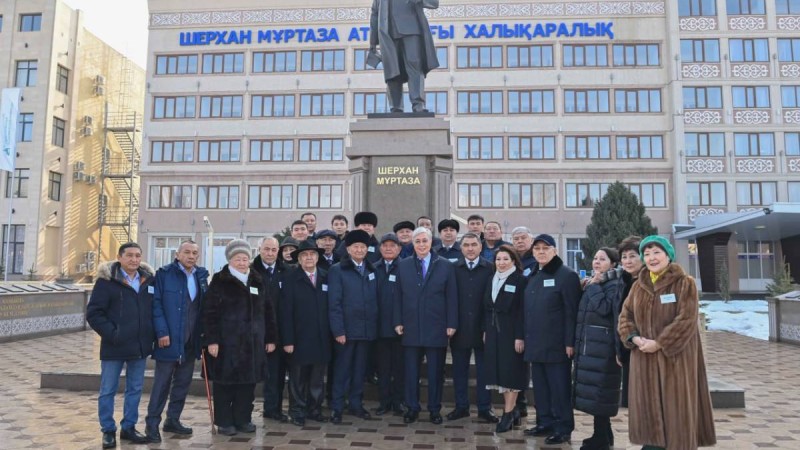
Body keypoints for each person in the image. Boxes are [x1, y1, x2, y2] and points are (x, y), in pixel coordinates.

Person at [618, 236, 716, 450]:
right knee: (650, 413)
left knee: (677, 414)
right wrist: (633, 337)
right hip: (644, 358)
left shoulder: (684, 283)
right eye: (647, 253)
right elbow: (626, 316)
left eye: (656, 252)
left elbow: (687, 319)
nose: (651, 258)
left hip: (676, 360)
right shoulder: (638, 286)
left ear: (668, 255)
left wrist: (660, 343)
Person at [203, 239, 277, 436]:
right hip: (227, 344)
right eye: (238, 259)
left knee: (247, 385)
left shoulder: (257, 280)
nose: (242, 262)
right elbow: (209, 313)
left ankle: (243, 419)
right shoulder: (220, 281)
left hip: (253, 344)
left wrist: (270, 338)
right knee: (225, 385)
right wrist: (212, 340)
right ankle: (225, 421)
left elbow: (268, 311)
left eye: (245, 258)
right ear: (230, 260)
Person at [87, 242, 155, 448]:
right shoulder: (106, 282)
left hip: (139, 346)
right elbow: (94, 313)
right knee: (108, 389)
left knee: (135, 389)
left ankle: (129, 427)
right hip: (114, 346)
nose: (134, 260)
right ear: (119, 257)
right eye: (129, 256)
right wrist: (113, 334)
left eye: (138, 255)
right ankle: (108, 430)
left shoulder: (148, 280)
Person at [145, 240, 209, 443]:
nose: (191, 256)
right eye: (187, 252)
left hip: (191, 341)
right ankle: (152, 424)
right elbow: (156, 306)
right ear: (177, 254)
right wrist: (161, 332)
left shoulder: (201, 276)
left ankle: (173, 419)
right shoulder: (164, 275)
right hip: (169, 339)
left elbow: (202, 308)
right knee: (162, 384)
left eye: (195, 253)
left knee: (182, 383)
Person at [394, 227, 458, 425]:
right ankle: (412, 407)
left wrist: (451, 323)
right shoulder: (403, 265)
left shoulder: (445, 265)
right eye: (417, 241)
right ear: (412, 244)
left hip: (436, 325)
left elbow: (452, 296)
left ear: (432, 242)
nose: (421, 245)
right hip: (411, 326)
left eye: (424, 241)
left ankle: (434, 409)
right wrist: (398, 320)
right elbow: (398, 296)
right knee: (411, 371)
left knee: (435, 372)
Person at [522, 234, 581, 445]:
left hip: (557, 345)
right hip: (536, 343)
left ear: (554, 251)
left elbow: (570, 312)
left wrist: (569, 342)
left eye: (545, 248)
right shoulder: (534, 275)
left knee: (559, 389)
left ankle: (563, 427)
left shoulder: (566, 276)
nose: (540, 251)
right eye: (536, 248)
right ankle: (544, 422)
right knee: (540, 388)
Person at [328, 230, 379, 423]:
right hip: (346, 332)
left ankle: (356, 404)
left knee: (360, 370)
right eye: (355, 246)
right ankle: (337, 407)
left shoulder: (372, 269)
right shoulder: (337, 270)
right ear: (348, 249)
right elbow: (334, 304)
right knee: (342, 371)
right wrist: (338, 330)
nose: (359, 250)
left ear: (367, 249)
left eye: (363, 247)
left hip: (366, 331)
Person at [573, 248, 623, 450]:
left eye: (602, 259)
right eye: (595, 258)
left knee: (601, 393)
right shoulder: (597, 282)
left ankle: (601, 439)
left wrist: (593, 288)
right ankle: (603, 434)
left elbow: (604, 309)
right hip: (591, 346)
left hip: (603, 348)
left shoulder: (613, 284)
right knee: (596, 394)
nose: (596, 262)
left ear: (612, 264)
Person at [281, 240, 332, 427]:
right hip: (298, 338)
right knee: (298, 379)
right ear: (299, 259)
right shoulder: (290, 279)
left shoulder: (327, 277)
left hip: (321, 338)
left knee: (317, 379)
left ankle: (315, 410)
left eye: (312, 254)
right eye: (304, 255)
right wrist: (288, 340)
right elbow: (285, 313)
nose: (309, 258)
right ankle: (297, 411)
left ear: (318, 257)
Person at [448, 232, 497, 423]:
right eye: (466, 245)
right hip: (459, 328)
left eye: (473, 245)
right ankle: (461, 407)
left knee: (484, 371)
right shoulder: (453, 268)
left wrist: (488, 327)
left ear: (480, 247)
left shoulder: (490, 268)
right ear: (461, 248)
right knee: (459, 371)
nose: (470, 248)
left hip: (483, 329)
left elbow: (493, 301)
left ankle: (485, 407)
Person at [483, 245, 527, 433]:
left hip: (512, 333)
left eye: (505, 259)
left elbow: (522, 311)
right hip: (494, 333)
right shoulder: (491, 279)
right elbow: (487, 307)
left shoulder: (520, 280)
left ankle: (508, 413)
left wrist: (520, 336)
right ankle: (513, 411)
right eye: (498, 259)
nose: (501, 263)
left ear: (514, 261)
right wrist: (486, 330)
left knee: (512, 373)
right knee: (500, 372)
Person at [369, 0, 440, 113]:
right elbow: (375, 14)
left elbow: (434, 3)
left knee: (414, 65)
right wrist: (373, 42)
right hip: (388, 34)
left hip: (412, 30)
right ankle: (395, 107)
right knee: (392, 70)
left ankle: (418, 104)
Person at [251, 237, 290, 423]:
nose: (270, 253)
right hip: (255, 332)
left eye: (274, 250)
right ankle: (244, 412)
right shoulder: (251, 271)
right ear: (259, 249)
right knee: (251, 375)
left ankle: (272, 409)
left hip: (278, 332)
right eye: (266, 249)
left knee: (276, 374)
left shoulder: (286, 271)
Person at [373, 233, 405, 416]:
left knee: (399, 368)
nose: (388, 248)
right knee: (383, 368)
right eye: (384, 245)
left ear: (399, 248)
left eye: (392, 245)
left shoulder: (406, 267)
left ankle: (398, 401)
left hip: (400, 328)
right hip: (379, 328)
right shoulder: (373, 268)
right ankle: (384, 401)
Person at [616, 235, 642, 408]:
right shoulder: (624, 281)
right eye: (624, 257)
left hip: (645, 347)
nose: (628, 261)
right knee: (634, 403)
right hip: (628, 347)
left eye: (633, 256)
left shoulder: (647, 281)